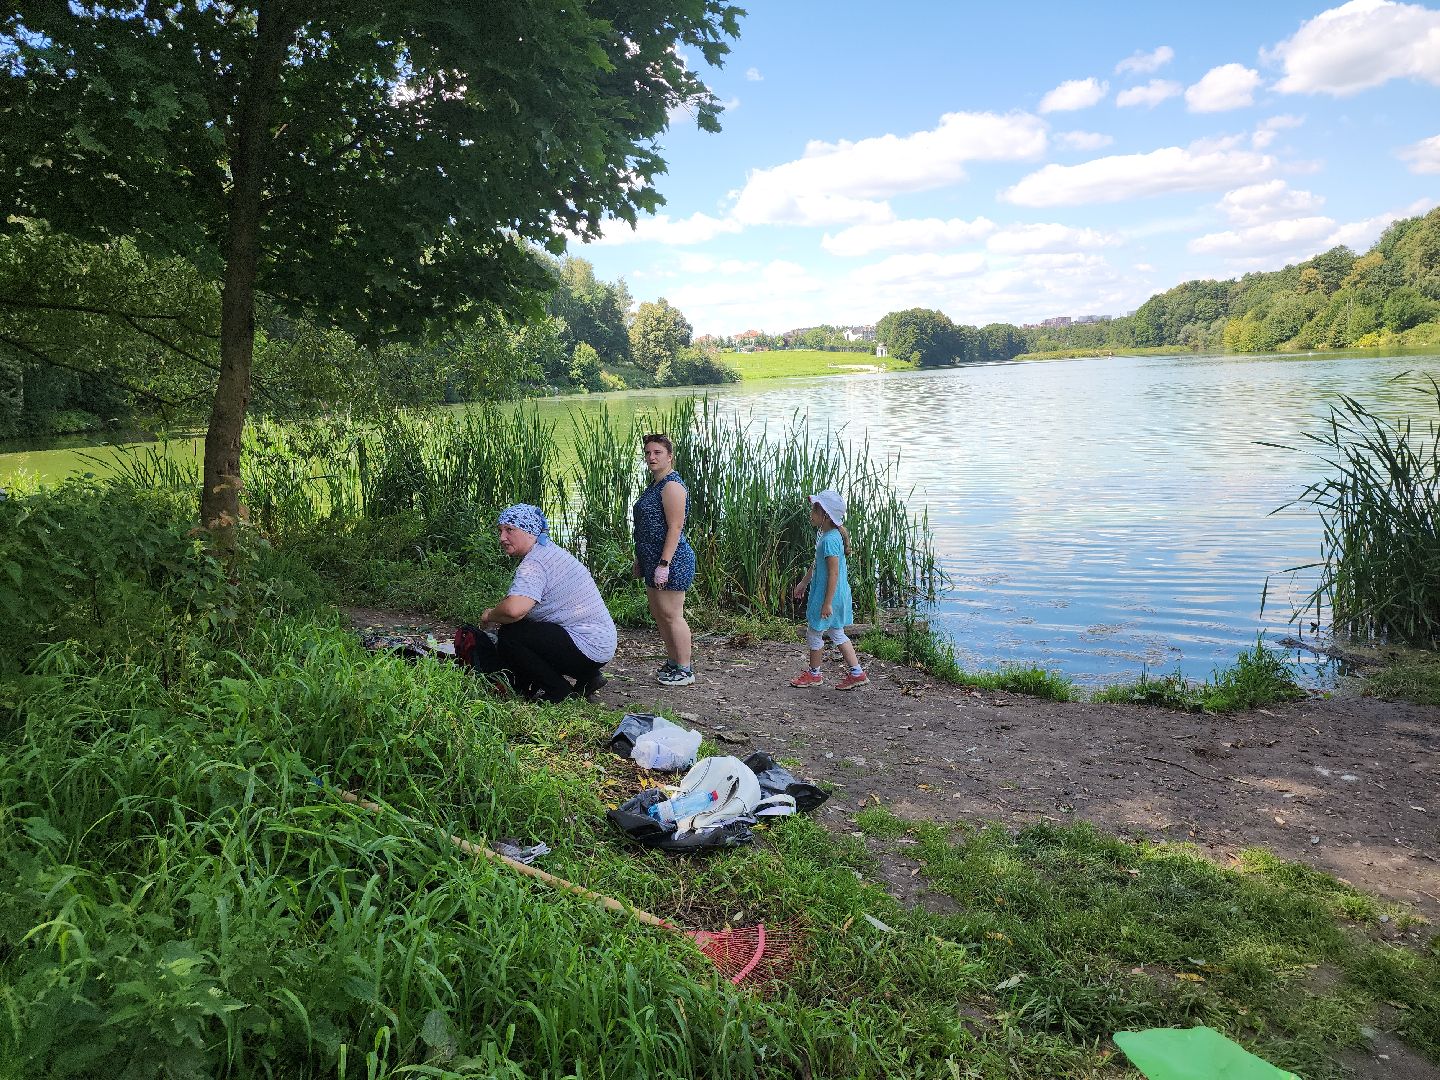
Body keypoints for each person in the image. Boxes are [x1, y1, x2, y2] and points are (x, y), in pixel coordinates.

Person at [478, 504, 617, 702]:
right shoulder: (548, 551)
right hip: (600, 645)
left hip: (587, 646)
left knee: (511, 635)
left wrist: (490, 615)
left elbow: (514, 610)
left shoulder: (535, 563)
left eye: (510, 530)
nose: (502, 537)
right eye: (500, 531)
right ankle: (589, 677)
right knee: (523, 629)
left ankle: (559, 693)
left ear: (530, 531)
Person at [632, 432, 696, 686]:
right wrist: (641, 560)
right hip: (651, 559)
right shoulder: (655, 484)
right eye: (648, 453)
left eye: (657, 452)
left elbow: (675, 527)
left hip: (671, 560)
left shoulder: (672, 486)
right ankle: (673, 662)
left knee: (672, 614)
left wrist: (664, 564)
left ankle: (685, 669)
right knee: (660, 614)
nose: (651, 457)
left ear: (670, 456)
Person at [790, 489, 868, 690]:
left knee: (814, 632)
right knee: (836, 632)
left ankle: (814, 674)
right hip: (829, 594)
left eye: (814, 510)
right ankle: (857, 673)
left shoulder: (830, 540)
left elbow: (833, 574)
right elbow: (817, 566)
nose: (811, 514)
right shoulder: (827, 536)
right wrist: (803, 583)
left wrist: (826, 603)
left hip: (828, 596)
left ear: (825, 515)